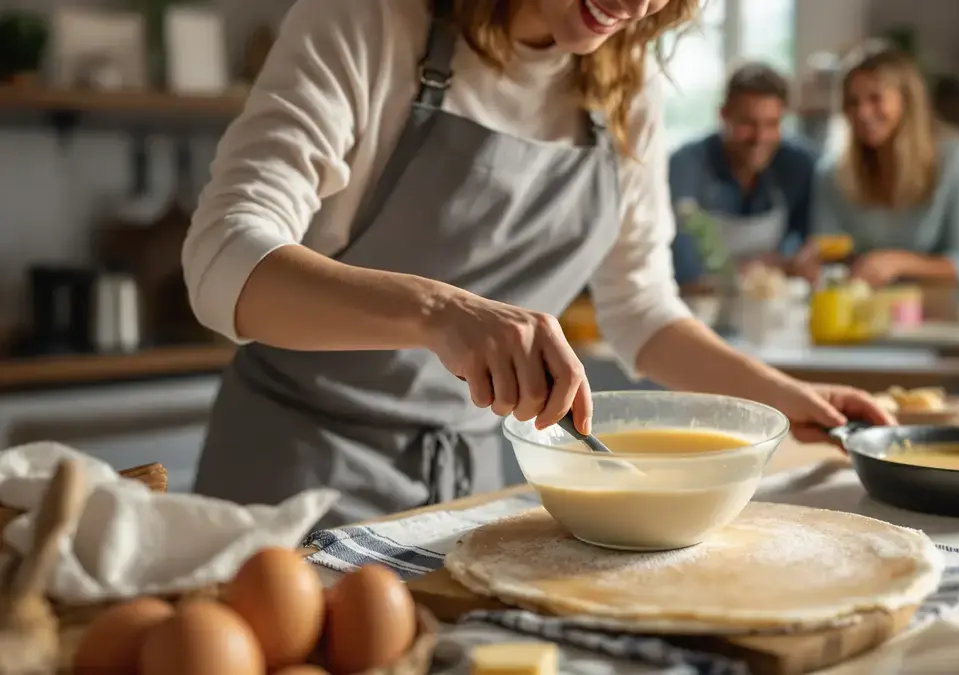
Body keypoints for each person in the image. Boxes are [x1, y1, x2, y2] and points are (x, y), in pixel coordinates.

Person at [182, 0, 893, 527]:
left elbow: (641, 309)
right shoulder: (368, 20)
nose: (636, 4)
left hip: (462, 493)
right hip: (293, 482)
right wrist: (440, 313)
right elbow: (222, 260)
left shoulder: (625, 89)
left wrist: (782, 395)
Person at [796, 41, 959, 287]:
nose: (863, 113)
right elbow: (825, 251)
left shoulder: (957, 158)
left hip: (936, 304)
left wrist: (899, 263)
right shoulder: (831, 172)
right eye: (852, 102)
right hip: (857, 303)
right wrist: (812, 259)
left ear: (907, 101)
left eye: (875, 99)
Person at [669, 62, 817, 285]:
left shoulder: (798, 164)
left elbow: (803, 247)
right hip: (700, 302)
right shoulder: (686, 165)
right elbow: (684, 268)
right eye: (747, 123)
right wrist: (766, 266)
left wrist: (789, 261)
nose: (759, 137)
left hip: (775, 300)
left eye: (772, 124)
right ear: (723, 114)